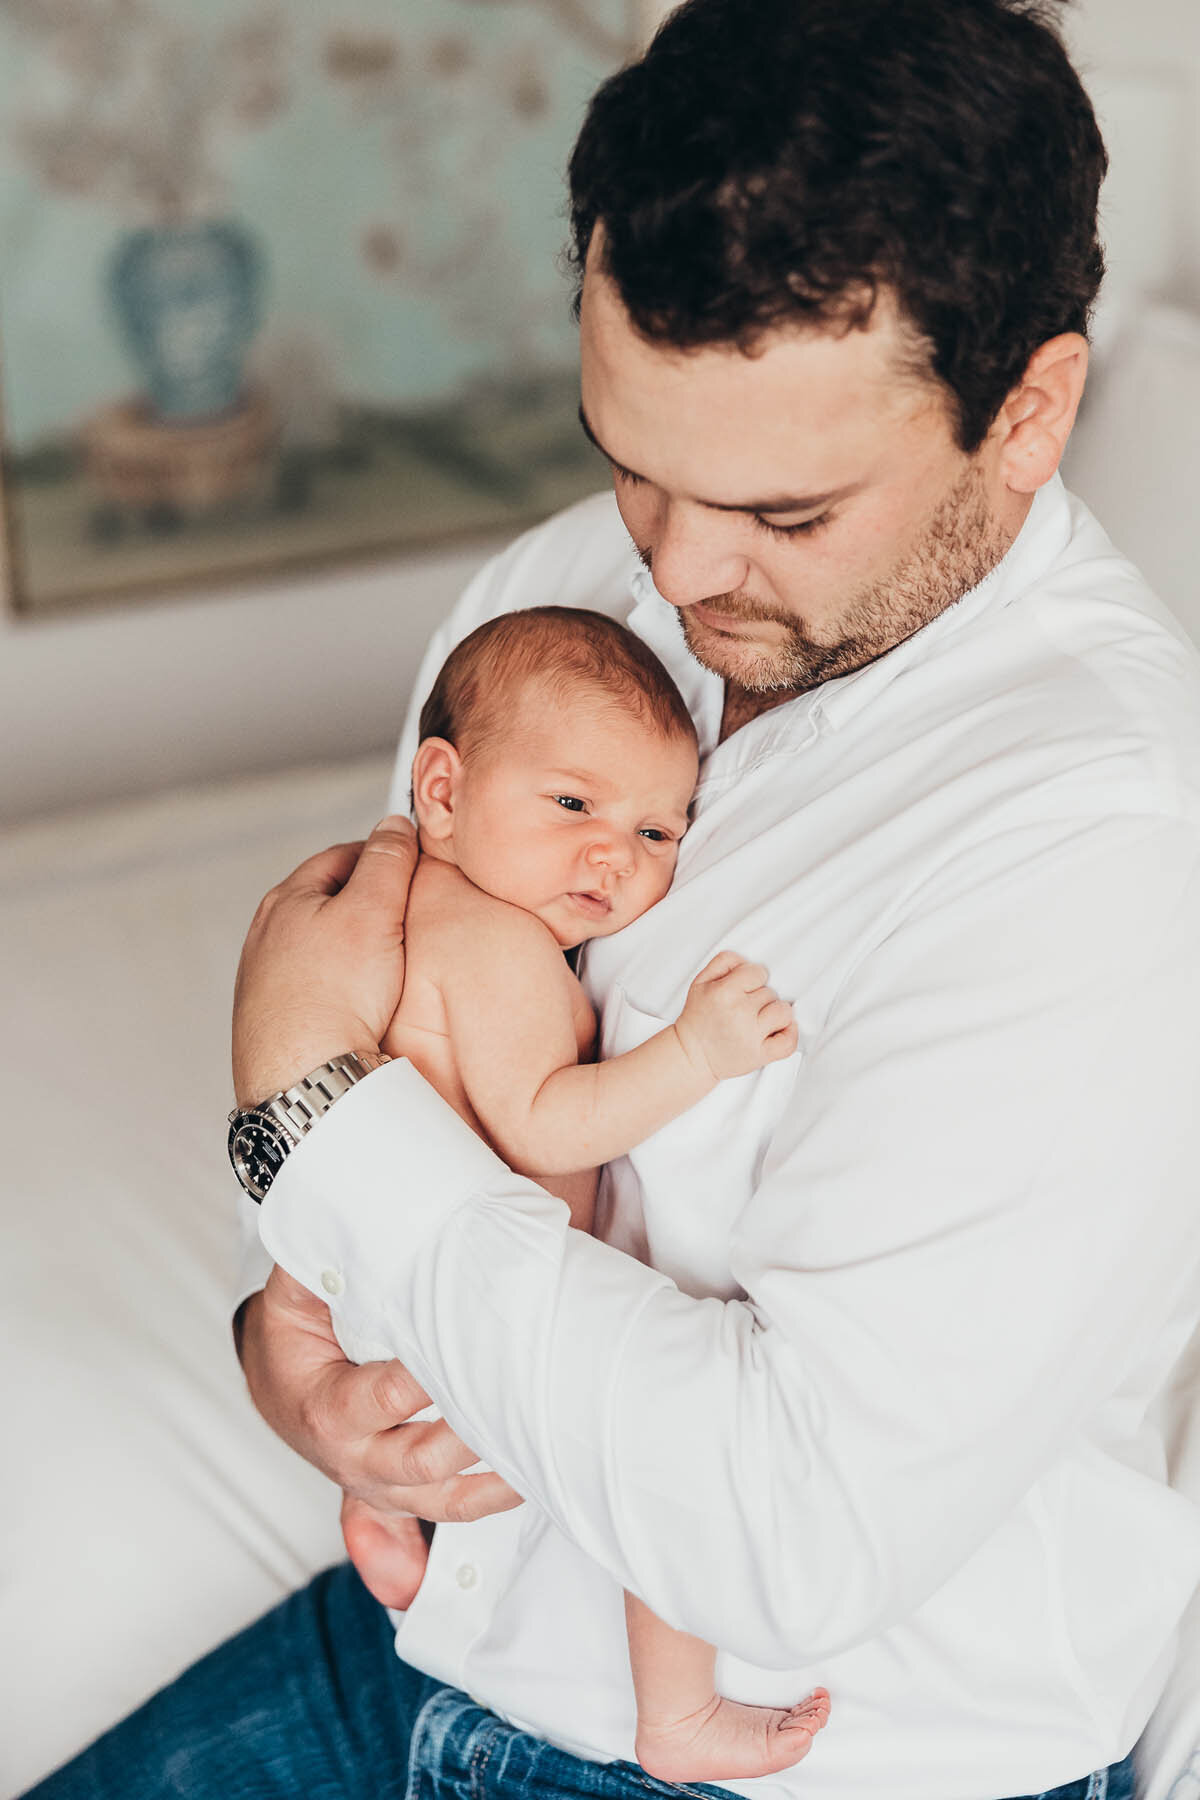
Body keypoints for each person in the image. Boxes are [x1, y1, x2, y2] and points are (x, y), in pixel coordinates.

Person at [25, 2, 1200, 1798]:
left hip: (811, 1765)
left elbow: (782, 1538)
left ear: (1029, 414)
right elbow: (375, 1038)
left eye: (782, 513)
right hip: (434, 1646)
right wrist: (289, 1354)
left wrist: (318, 1138)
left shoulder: (1097, 835)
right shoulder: (565, 587)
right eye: (629, 457)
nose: (671, 567)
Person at [342, 602, 830, 1783]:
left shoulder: (422, 912)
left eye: (661, 830)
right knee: (664, 1462)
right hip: (472, 1301)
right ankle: (678, 1716)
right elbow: (549, 1117)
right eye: (573, 805)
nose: (618, 855)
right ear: (443, 791)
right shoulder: (490, 943)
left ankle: (374, 1522)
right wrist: (696, 1054)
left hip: (396, 1293)